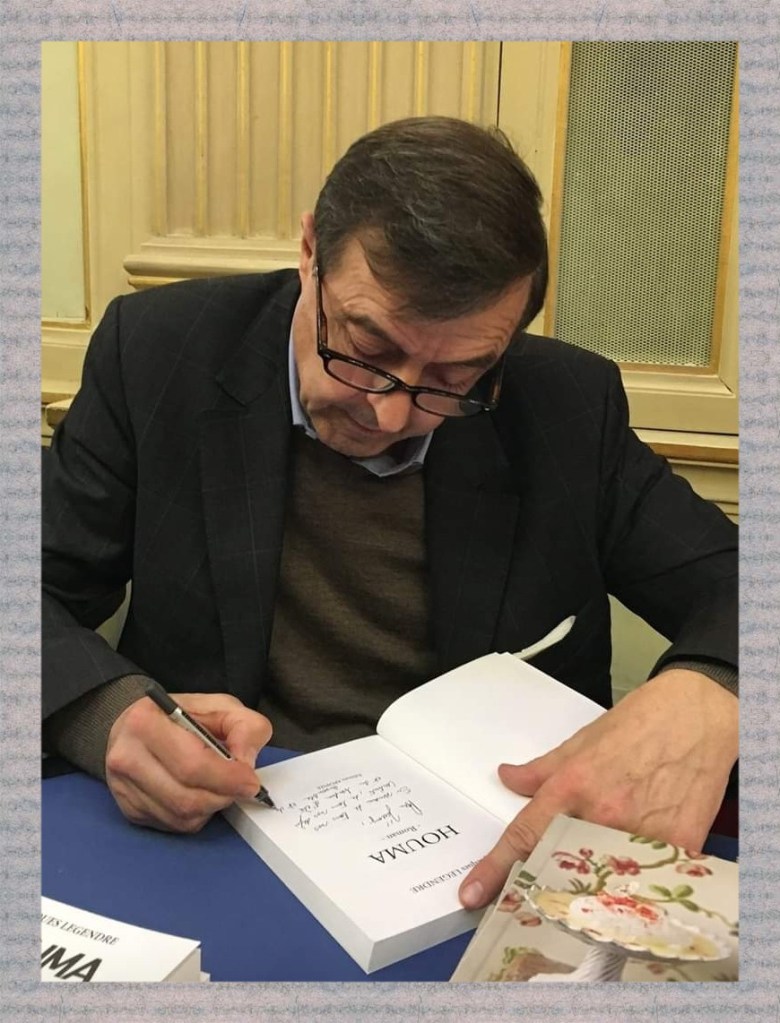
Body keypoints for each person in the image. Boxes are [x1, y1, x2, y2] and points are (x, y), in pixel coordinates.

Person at [42, 116, 737, 911]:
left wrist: (715, 687)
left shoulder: (565, 404)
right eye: (366, 349)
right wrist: (102, 713)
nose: (390, 413)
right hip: (217, 833)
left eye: (455, 376)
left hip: (481, 861)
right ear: (310, 252)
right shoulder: (161, 353)